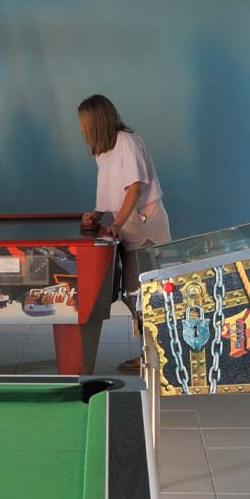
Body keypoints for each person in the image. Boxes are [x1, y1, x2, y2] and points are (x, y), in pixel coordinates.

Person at [77, 94, 171, 373]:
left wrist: (116, 223)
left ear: (96, 121)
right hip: (127, 227)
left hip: (144, 226)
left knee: (138, 294)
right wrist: (98, 213)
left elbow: (134, 188)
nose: (80, 129)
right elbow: (112, 190)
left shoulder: (127, 142)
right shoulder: (102, 150)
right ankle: (152, 354)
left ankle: (155, 357)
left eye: (83, 123)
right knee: (132, 295)